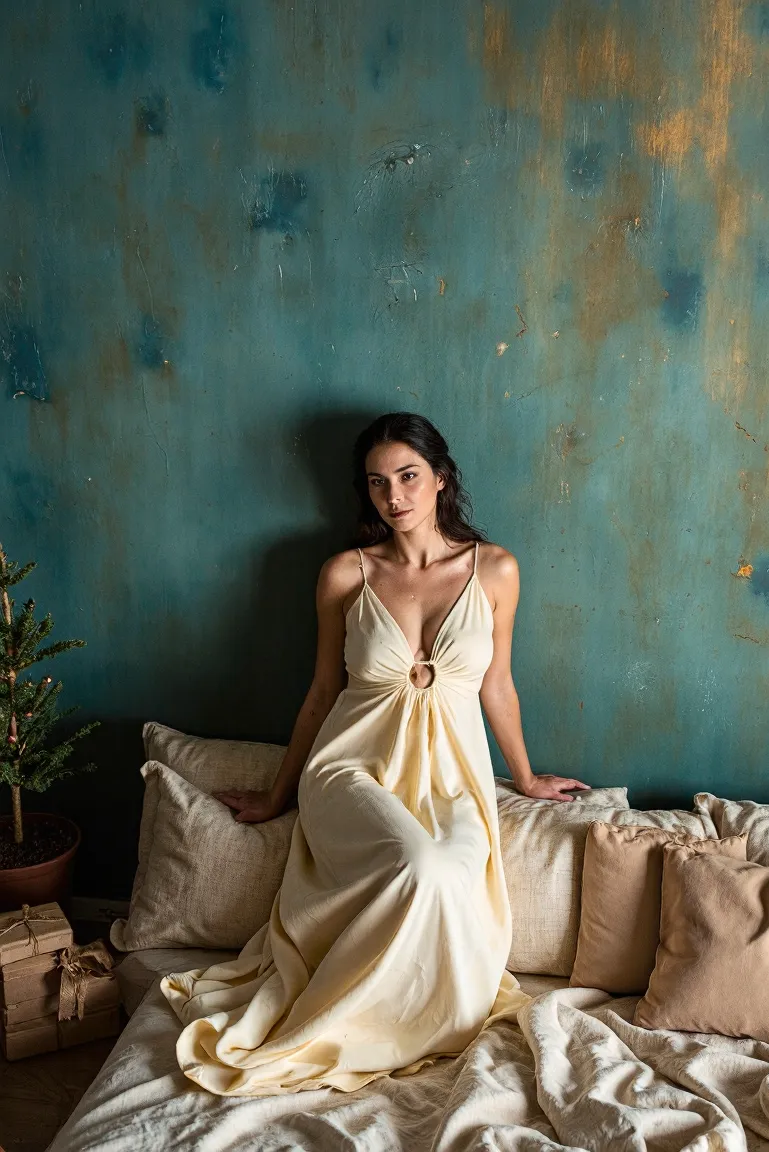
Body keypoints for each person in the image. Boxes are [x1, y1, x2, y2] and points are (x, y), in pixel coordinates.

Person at [160, 411, 589, 1095]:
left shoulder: (496, 570)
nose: (394, 496)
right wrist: (278, 793)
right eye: (378, 482)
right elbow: (321, 693)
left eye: (409, 476)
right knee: (418, 863)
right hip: (351, 769)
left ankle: (415, 1020)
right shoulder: (345, 574)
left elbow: (498, 685)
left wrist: (527, 777)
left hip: (452, 781)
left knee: (451, 872)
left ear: (441, 478)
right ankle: (348, 1027)